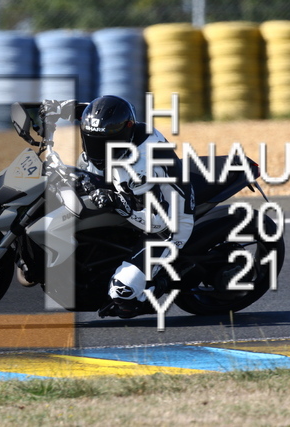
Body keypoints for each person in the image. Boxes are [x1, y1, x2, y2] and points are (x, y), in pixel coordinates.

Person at [39, 95, 196, 318]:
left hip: (169, 221)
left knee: (122, 293)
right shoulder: (119, 127)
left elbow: (158, 223)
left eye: (105, 143)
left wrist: (119, 204)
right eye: (93, 140)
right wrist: (55, 108)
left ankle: (153, 288)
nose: (97, 148)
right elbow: (90, 115)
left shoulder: (139, 169)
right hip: (131, 190)